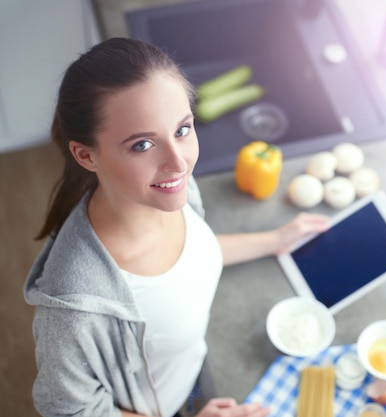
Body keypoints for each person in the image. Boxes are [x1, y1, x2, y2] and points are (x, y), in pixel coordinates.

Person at [23, 37, 329, 417]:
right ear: (87, 155)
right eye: (142, 146)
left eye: (182, 130)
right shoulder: (74, 310)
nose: (178, 162)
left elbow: (192, 254)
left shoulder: (167, 191)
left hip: (185, 380)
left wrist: (275, 240)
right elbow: (69, 411)